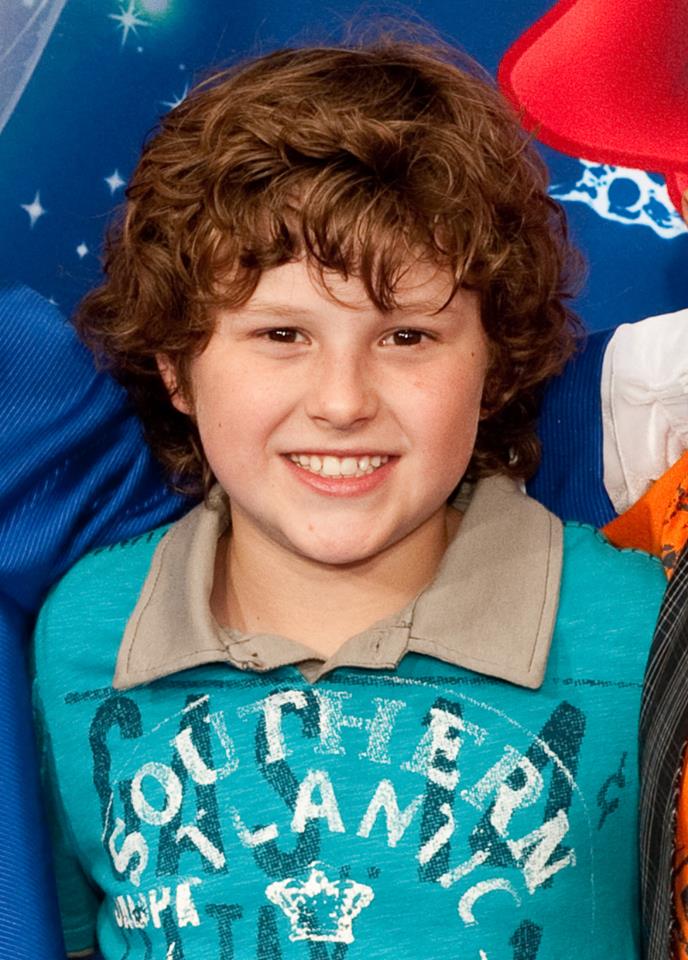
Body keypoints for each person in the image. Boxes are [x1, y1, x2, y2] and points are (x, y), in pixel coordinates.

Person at [31, 35, 666, 959]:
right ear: (175, 364)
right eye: (282, 334)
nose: (341, 402)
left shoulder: (641, 630)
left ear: (494, 365)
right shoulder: (87, 634)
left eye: (407, 337)